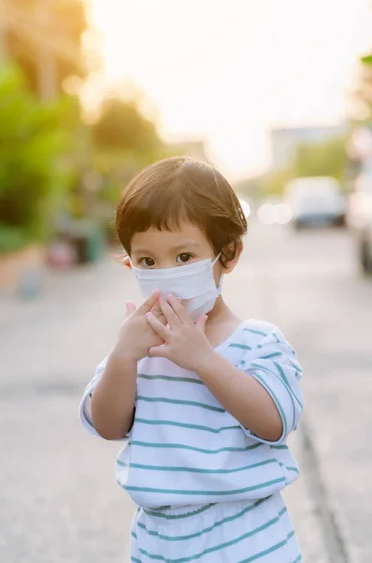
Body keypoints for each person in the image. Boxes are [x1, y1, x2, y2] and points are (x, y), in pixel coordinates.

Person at [79, 157, 303, 563]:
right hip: (159, 541)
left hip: (248, 536)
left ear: (228, 254)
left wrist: (203, 360)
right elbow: (108, 425)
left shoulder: (257, 341)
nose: (166, 274)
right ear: (131, 263)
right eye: (148, 261)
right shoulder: (136, 349)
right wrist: (123, 356)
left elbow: (275, 423)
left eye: (183, 257)